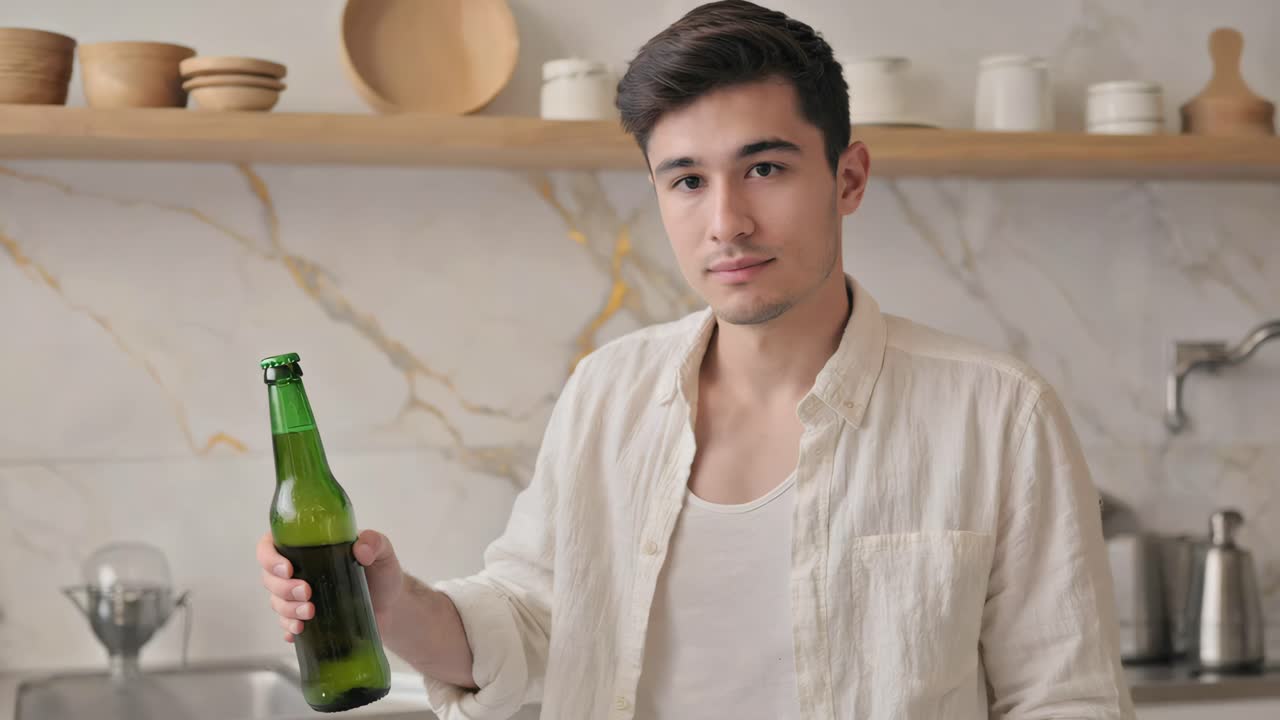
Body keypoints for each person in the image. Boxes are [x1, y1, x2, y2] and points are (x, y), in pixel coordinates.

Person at [257, 1, 1135, 717]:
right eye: (686, 180)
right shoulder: (609, 394)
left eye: (764, 169)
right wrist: (394, 605)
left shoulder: (998, 413)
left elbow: (1069, 700)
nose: (726, 223)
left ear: (849, 177)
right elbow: (529, 627)